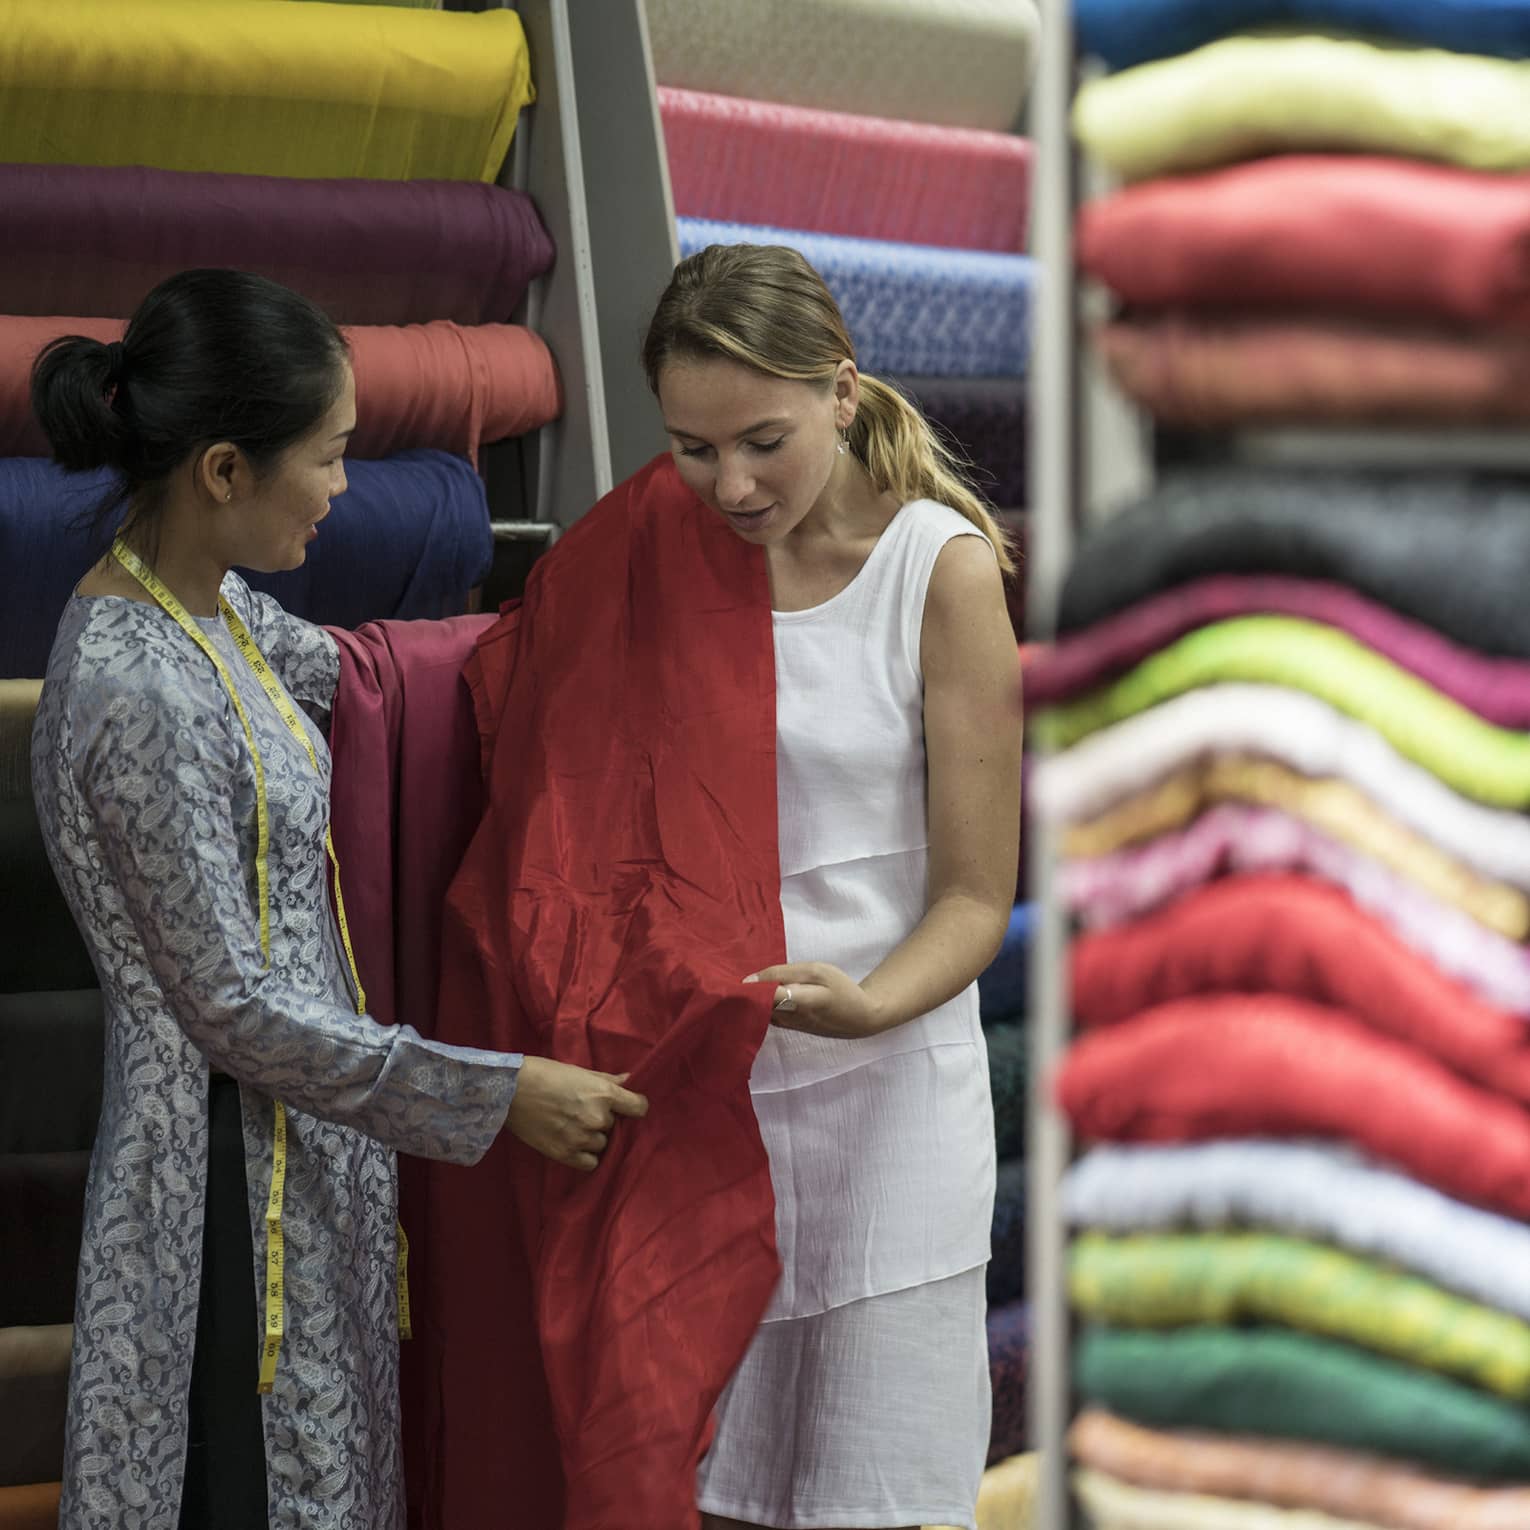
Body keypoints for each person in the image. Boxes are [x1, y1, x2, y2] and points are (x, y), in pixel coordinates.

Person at [27, 268, 649, 1530]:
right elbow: (234, 1009)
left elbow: (392, 676)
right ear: (221, 472)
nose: (344, 489)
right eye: (329, 455)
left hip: (294, 1158)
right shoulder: (136, 685)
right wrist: (497, 1090)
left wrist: (603, 606)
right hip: (216, 1192)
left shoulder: (214, 619)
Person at [642, 244, 1022, 1530]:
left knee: (879, 1489)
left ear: (842, 393)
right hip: (717, 1093)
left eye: (761, 440)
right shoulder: (663, 553)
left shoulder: (942, 571)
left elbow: (976, 894)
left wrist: (866, 1003)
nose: (730, 485)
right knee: (717, 1492)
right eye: (693, 449)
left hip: (892, 1089)